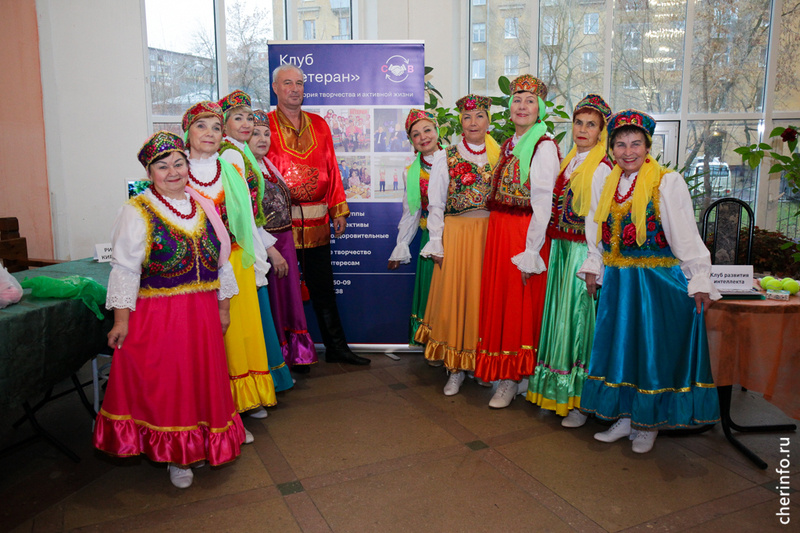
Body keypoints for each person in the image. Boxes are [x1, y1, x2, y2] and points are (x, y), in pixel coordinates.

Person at [94, 131, 245, 489]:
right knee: (171, 385)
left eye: (179, 163)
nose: (173, 172)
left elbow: (221, 264)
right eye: (163, 167)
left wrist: (223, 310)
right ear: (150, 173)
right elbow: (125, 270)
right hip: (161, 317)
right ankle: (177, 456)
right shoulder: (137, 211)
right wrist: (120, 321)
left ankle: (201, 443)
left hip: (202, 315)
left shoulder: (203, 206)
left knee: (201, 382)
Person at [578, 109, 721, 453]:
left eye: (636, 144)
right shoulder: (607, 182)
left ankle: (649, 424)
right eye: (621, 144)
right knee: (622, 352)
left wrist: (699, 277)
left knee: (652, 354)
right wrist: (595, 264)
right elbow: (596, 229)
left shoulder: (666, 182)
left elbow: (685, 234)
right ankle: (628, 416)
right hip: (620, 284)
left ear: (647, 147)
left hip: (656, 286)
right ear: (611, 149)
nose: (628, 152)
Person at [267, 63, 369, 365]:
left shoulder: (320, 124)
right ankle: (287, 355)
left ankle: (337, 347)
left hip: (317, 221)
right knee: (283, 290)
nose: (294, 89)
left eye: (299, 83)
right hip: (279, 227)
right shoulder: (264, 125)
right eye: (287, 83)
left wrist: (339, 209)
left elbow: (332, 168)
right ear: (275, 88)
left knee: (323, 288)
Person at [181, 101, 277, 423]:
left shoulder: (230, 171)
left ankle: (242, 400)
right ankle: (210, 406)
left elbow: (247, 220)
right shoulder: (177, 172)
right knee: (204, 338)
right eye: (201, 125)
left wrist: (258, 260)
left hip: (235, 260)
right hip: (194, 269)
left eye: (216, 127)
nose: (209, 133)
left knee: (240, 332)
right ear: (187, 132)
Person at [526, 94, 613, 426]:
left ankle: (579, 402)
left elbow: (597, 220)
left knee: (579, 322)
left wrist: (593, 261)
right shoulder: (571, 161)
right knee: (561, 321)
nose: (582, 129)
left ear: (601, 132)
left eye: (591, 124)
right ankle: (558, 393)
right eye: (578, 122)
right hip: (562, 252)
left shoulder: (600, 167)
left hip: (580, 254)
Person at [474, 74, 560, 409]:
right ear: (510, 108)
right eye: (517, 100)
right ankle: (511, 375)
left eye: (530, 101)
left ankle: (511, 378)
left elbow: (543, 203)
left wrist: (531, 251)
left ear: (540, 109)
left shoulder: (543, 145)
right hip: (501, 233)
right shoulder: (510, 144)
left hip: (522, 236)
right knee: (502, 301)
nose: (522, 106)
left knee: (517, 305)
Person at [416, 94, 500, 395]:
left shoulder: (501, 155)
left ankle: (478, 363)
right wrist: (436, 242)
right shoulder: (446, 156)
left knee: (481, 299)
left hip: (489, 236)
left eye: (479, 116)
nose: (473, 122)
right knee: (455, 297)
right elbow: (436, 204)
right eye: (467, 117)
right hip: (457, 235)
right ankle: (454, 368)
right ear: (460, 122)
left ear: (489, 121)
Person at [217, 92, 295, 392]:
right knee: (246, 321)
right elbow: (242, 213)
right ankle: (247, 387)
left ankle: (257, 384)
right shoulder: (231, 155)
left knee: (255, 318)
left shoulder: (241, 153)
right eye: (238, 118)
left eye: (249, 117)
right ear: (224, 124)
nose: (246, 123)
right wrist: (263, 251)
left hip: (248, 243)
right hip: (240, 248)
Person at [248, 109, 318, 373]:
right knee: (273, 301)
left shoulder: (267, 165)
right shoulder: (245, 170)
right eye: (255, 133)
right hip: (267, 244)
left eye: (266, 133)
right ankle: (279, 358)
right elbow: (251, 217)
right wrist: (272, 251)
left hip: (284, 241)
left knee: (288, 297)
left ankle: (295, 354)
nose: (263, 139)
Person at [387, 109, 441, 346]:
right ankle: (434, 344)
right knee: (432, 292)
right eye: (416, 134)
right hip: (430, 238)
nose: (423, 137)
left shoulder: (455, 161)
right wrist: (401, 245)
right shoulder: (412, 171)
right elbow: (411, 211)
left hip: (459, 234)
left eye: (427, 130)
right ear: (411, 141)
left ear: (437, 131)